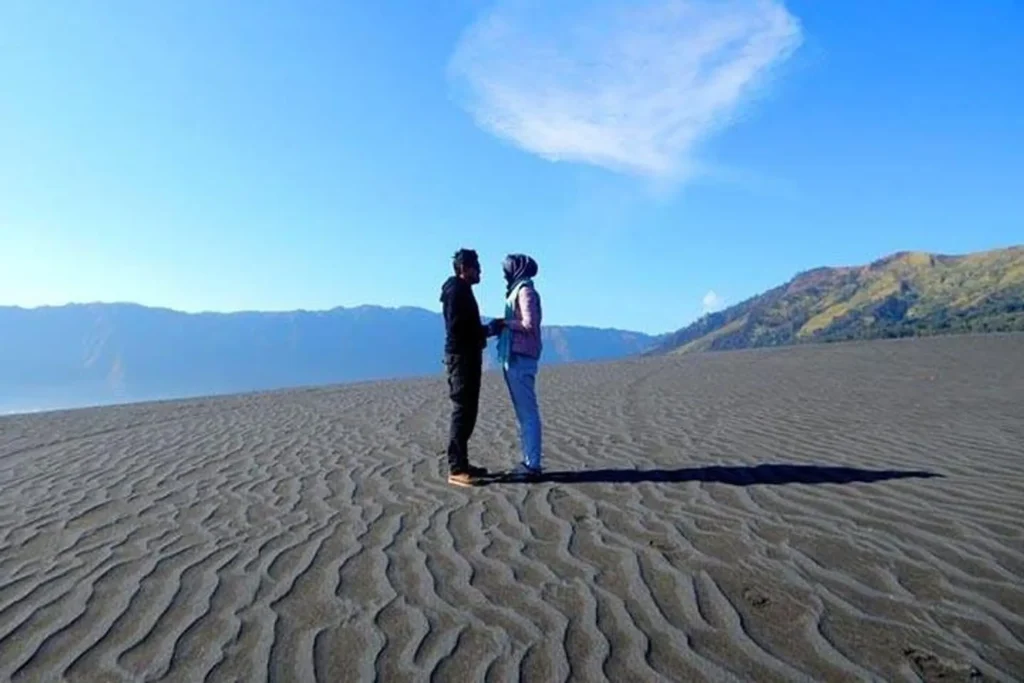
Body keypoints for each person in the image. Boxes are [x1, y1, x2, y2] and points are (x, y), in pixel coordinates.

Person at [440, 248, 504, 487]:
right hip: (461, 358)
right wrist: (486, 330)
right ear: (464, 268)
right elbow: (458, 330)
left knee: (468, 412)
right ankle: (456, 468)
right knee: (462, 411)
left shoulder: (461, 290)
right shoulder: (456, 291)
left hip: (466, 356)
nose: (480, 271)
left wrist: (486, 330)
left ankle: (462, 463)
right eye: (476, 266)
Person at [496, 253, 543, 479]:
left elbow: (529, 323)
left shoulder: (525, 291)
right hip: (515, 357)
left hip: (521, 359)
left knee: (528, 414)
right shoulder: (519, 290)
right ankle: (529, 460)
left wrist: (505, 323)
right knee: (524, 414)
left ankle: (532, 464)